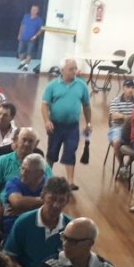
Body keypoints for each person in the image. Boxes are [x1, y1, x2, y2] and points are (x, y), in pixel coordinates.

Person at [4, 177, 72, 267]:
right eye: (52, 199)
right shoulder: (24, 222)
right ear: (42, 196)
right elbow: (7, 256)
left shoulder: (71, 228)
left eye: (61, 200)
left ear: (67, 201)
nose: (56, 205)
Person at [41, 58, 91, 191]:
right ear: (62, 70)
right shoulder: (52, 85)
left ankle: (70, 181)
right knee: (52, 152)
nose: (74, 71)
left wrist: (88, 123)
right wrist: (47, 121)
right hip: (55, 125)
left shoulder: (81, 85)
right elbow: (44, 105)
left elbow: (86, 105)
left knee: (71, 150)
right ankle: (47, 178)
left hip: (72, 126)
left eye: (75, 68)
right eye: (71, 69)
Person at [2, 154, 50, 237]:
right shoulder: (13, 182)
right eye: (22, 168)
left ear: (40, 173)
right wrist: (47, 202)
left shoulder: (50, 185)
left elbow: (60, 206)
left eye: (28, 171)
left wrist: (24, 210)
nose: (22, 173)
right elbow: (17, 202)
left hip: (40, 233)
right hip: (14, 232)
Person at [16, 5, 45, 71]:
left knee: (29, 52)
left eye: (34, 9)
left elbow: (41, 29)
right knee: (20, 51)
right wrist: (19, 34)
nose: (32, 11)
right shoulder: (26, 16)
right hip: (23, 37)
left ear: (37, 11)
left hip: (31, 39)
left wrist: (35, 36)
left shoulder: (39, 20)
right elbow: (22, 25)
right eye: (32, 9)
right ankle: (22, 62)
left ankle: (26, 66)